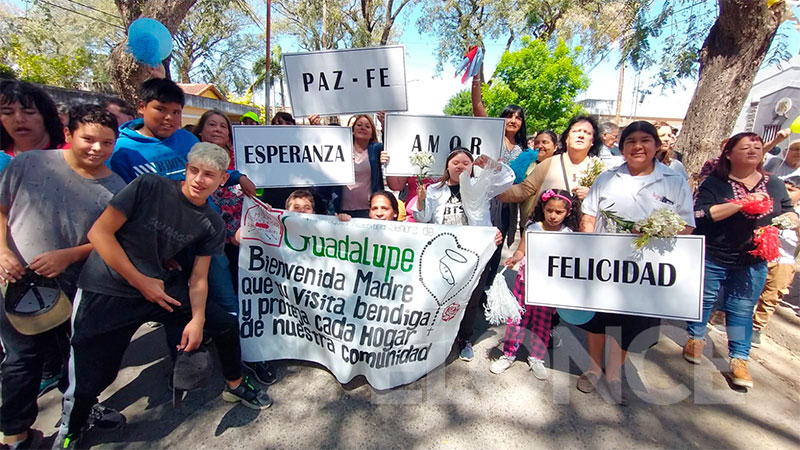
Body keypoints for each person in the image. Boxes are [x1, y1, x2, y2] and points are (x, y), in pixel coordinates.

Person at [54, 143, 272, 449]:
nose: (199, 180)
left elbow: (198, 278)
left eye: (209, 174)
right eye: (194, 171)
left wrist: (197, 320)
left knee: (222, 323)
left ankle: (235, 383)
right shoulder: (149, 185)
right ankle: (71, 428)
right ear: (186, 169)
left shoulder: (212, 221)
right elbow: (99, 234)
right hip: (107, 287)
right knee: (91, 372)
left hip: (159, 287)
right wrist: (142, 282)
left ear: (223, 179)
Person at [0, 105, 127, 449]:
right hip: (19, 284)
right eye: (88, 139)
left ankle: (83, 409)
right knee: (21, 360)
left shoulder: (116, 188)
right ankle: (15, 435)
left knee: (78, 355)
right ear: (69, 134)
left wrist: (68, 256)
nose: (96, 149)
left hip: (78, 286)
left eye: (106, 142)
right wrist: (3, 251)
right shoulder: (29, 164)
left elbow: (110, 239)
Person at [579, 121, 695, 404]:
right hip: (605, 264)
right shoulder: (607, 178)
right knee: (597, 319)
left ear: (657, 146)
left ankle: (615, 373)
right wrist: (588, 242)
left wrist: (657, 233)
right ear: (622, 147)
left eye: (645, 140)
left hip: (646, 269)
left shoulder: (674, 181)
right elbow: (589, 215)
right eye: (631, 141)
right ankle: (594, 367)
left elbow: (687, 226)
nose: (638, 146)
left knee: (628, 322)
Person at [685, 132, 797, 390]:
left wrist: (791, 220)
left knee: (742, 309)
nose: (752, 151)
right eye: (745, 147)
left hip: (753, 259)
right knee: (703, 299)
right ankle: (696, 336)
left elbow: (787, 209)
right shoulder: (715, 183)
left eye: (757, 147)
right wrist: (740, 204)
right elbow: (701, 214)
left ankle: (739, 358)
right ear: (729, 154)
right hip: (714, 254)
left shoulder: (774, 183)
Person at [412, 149, 513, 361]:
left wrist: (492, 164)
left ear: (472, 166)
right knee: (441, 297)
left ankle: (464, 338)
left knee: (471, 298)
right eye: (455, 162)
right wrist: (421, 201)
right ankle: (436, 337)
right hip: (444, 255)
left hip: (475, 254)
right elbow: (423, 218)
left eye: (466, 163)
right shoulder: (433, 189)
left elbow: (506, 180)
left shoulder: (482, 186)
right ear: (447, 166)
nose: (460, 166)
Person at [491, 189, 581, 379]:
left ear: (568, 212)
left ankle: (537, 357)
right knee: (517, 318)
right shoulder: (533, 227)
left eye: (559, 212)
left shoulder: (569, 233)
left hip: (549, 286)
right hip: (526, 281)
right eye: (550, 210)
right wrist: (514, 258)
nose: (553, 216)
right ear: (543, 208)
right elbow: (522, 249)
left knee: (543, 321)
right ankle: (508, 354)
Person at [499, 115, 602, 222]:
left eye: (587, 133)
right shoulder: (549, 163)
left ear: (593, 141)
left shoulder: (600, 170)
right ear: (567, 138)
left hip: (583, 233)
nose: (581, 135)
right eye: (576, 131)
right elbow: (523, 190)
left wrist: (592, 196)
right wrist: (494, 189)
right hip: (548, 232)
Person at [751, 174, 800, 347]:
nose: (786, 192)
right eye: (785, 188)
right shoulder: (774, 205)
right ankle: (729, 319)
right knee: (748, 289)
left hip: (783, 259)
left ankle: (756, 327)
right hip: (760, 253)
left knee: (771, 295)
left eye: (792, 190)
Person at [333, 114, 389, 218]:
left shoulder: (376, 149)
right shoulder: (340, 149)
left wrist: (384, 126)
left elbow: (390, 145)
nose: (363, 128)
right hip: (343, 210)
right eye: (359, 125)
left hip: (369, 210)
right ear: (353, 131)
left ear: (372, 134)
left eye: (367, 126)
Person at [0, 79, 65, 155]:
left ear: (46, 115)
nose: (19, 119)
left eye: (29, 112)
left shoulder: (70, 154)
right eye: (8, 113)